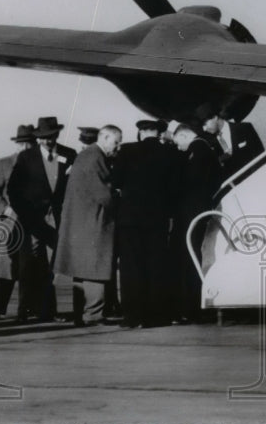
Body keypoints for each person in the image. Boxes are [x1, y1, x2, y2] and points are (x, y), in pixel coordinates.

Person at [7, 116, 76, 321]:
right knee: (28, 266)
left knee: (52, 266)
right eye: (43, 137)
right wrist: (26, 215)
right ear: (37, 138)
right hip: (32, 220)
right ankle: (24, 311)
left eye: (51, 136)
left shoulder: (69, 154)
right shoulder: (26, 157)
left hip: (58, 218)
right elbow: (13, 190)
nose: (47, 141)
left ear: (57, 135)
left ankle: (47, 311)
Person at [54, 125, 121, 326]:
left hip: (80, 223)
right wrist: (119, 195)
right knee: (95, 267)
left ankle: (81, 313)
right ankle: (93, 314)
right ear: (105, 137)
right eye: (116, 142)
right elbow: (103, 193)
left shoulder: (86, 155)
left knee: (81, 269)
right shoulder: (95, 158)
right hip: (93, 222)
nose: (117, 147)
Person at [113, 119, 176, 328]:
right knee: (156, 265)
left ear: (140, 132)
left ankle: (133, 316)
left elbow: (116, 181)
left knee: (131, 267)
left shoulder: (127, 150)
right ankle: (157, 316)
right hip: (157, 218)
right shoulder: (169, 152)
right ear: (159, 133)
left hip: (130, 218)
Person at [171, 123, 225, 322]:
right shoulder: (207, 149)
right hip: (199, 209)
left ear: (184, 136)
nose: (179, 148)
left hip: (190, 212)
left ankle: (190, 306)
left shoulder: (197, 149)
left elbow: (190, 180)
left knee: (187, 257)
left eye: (178, 143)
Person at [0, 124, 35, 321]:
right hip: (9, 224)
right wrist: (5, 208)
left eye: (30, 144)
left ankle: (25, 311)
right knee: (4, 268)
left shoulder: (40, 165)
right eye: (23, 144)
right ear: (17, 145)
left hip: (33, 224)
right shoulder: (3, 164)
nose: (26, 148)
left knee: (29, 268)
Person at [195, 103, 265, 183]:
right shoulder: (212, 146)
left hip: (258, 181)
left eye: (205, 124)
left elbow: (261, 157)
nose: (204, 129)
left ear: (215, 117)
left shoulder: (244, 128)